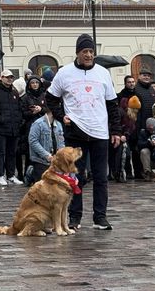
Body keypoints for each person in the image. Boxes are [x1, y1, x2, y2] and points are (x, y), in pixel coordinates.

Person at [46, 34, 121, 230]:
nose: (88, 55)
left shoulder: (103, 73)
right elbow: (51, 98)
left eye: (91, 52)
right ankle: (75, 217)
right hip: (76, 131)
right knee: (74, 177)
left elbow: (112, 104)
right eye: (84, 52)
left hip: (99, 131)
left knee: (101, 176)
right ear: (78, 53)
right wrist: (62, 116)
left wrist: (115, 130)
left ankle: (100, 217)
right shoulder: (64, 73)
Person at [0, 69, 23, 186]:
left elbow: (19, 109)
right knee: (0, 153)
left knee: (12, 153)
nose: (9, 79)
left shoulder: (14, 93)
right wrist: (1, 119)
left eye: (11, 77)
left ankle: (11, 175)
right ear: (1, 78)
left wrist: (18, 121)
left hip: (14, 128)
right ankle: (0, 175)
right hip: (1, 129)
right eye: (7, 77)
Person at [28, 106, 66, 182]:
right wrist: (46, 155)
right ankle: (31, 173)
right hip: (41, 161)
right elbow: (33, 141)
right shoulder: (38, 123)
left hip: (55, 161)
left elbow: (62, 141)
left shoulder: (59, 124)